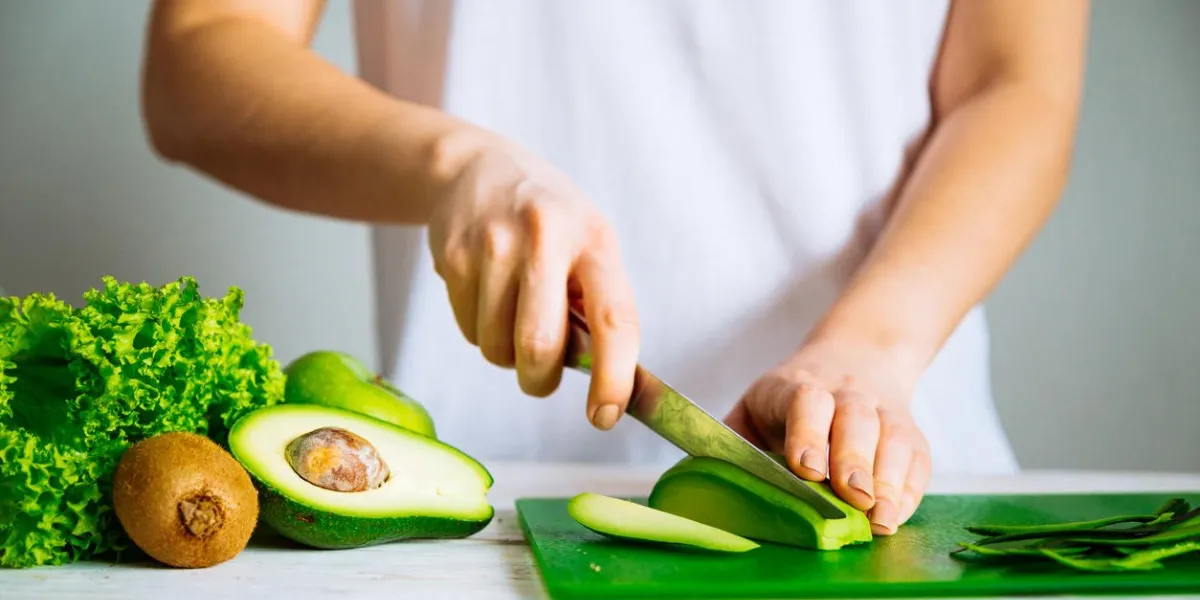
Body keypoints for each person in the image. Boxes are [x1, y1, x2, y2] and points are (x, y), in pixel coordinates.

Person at [139, 0, 1089, 535]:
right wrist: (457, 164)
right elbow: (202, 52)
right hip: (476, 525)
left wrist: (872, 349)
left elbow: (1017, 85)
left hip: (892, 478)